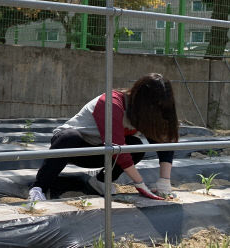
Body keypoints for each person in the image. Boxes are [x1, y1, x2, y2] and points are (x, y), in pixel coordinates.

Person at [28, 73, 178, 202]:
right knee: (70, 137)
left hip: (102, 152)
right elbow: (117, 145)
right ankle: (38, 188)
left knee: (136, 146)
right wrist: (140, 184)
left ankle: (100, 181)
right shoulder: (111, 103)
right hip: (74, 148)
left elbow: (163, 140)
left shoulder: (145, 113)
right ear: (141, 101)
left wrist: (164, 181)